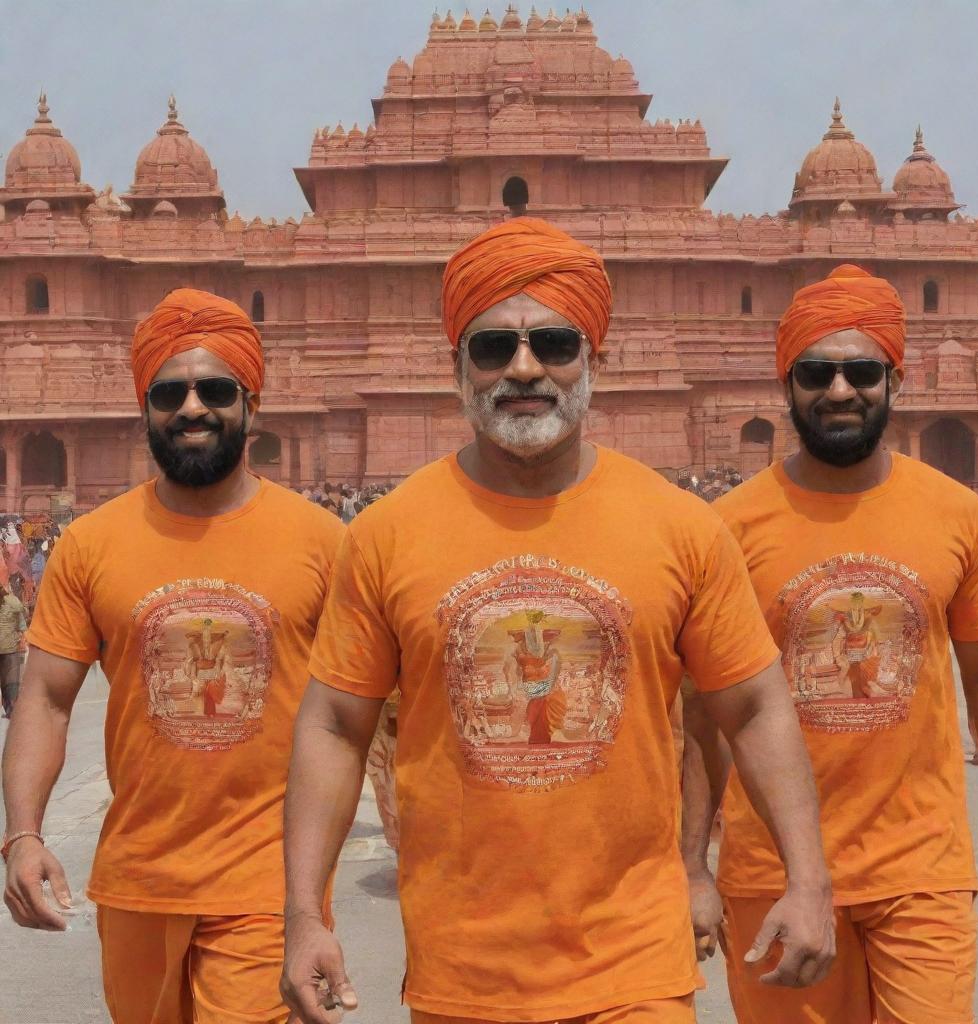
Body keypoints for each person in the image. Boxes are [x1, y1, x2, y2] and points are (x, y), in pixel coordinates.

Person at [280, 218, 835, 1024]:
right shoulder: (387, 534)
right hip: (463, 969)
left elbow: (752, 707)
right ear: (456, 368)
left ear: (594, 358)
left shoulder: (681, 528)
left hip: (635, 963)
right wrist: (304, 917)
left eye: (554, 342)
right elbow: (333, 723)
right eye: (493, 348)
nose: (525, 367)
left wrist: (807, 879)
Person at [683, 265, 978, 1024]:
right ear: (787, 384)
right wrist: (690, 866)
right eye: (816, 371)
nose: (840, 389)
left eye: (862, 369)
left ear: (894, 377)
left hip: (921, 869)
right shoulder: (730, 529)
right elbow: (706, 713)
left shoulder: (954, 513)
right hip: (773, 873)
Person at [1, 289, 343, 1024]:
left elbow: (360, 713)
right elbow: (46, 699)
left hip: (268, 881)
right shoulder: (91, 544)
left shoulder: (322, 542)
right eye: (170, 392)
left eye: (216, 389)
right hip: (136, 879)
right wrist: (22, 832)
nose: (193, 407)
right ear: (144, 405)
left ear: (252, 401)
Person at [0, 582, 27, 718]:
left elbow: (21, 617)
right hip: (8, 649)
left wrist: (23, 638)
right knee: (6, 683)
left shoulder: (11, 603)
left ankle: (12, 710)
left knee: (10, 683)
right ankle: (9, 710)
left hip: (10, 649)